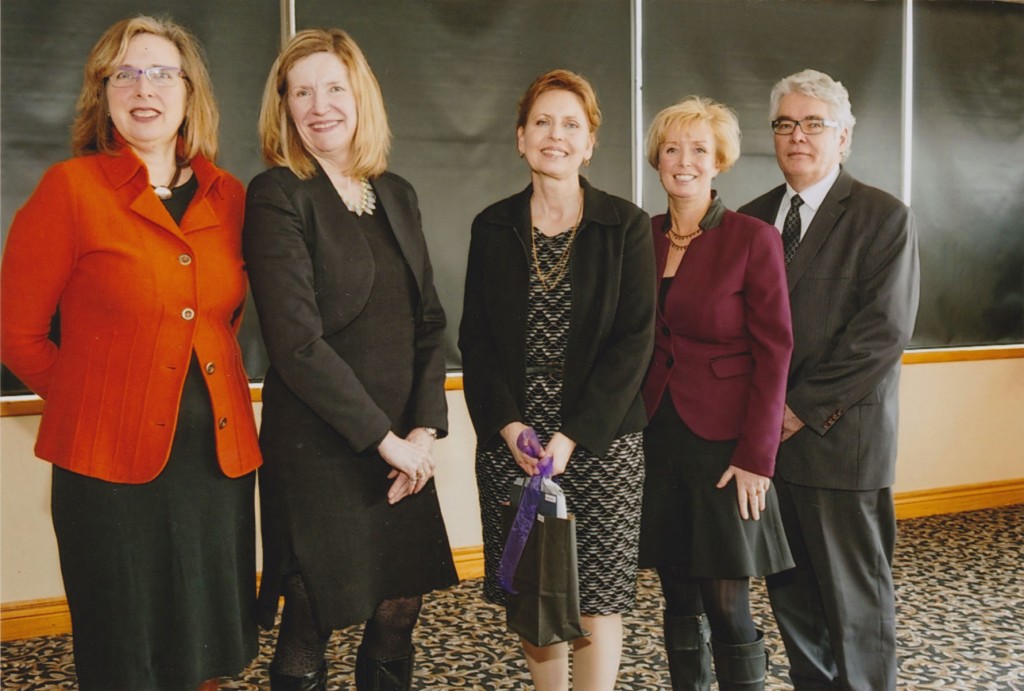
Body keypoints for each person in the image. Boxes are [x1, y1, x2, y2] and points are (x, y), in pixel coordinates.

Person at [0, 16, 261, 691]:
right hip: (108, 474)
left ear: (189, 92)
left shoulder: (230, 197)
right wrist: (99, 401)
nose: (143, 87)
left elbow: (225, 316)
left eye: (161, 72)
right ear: (103, 94)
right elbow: (17, 332)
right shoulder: (70, 189)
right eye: (125, 73)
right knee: (127, 656)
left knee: (205, 650)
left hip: (216, 467)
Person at [243, 28, 458, 691]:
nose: (319, 105)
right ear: (283, 107)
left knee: (400, 607)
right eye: (301, 92)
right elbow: (297, 343)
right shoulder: (278, 194)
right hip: (317, 444)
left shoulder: (396, 192)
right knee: (311, 611)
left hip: (401, 442)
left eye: (334, 87)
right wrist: (385, 441)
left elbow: (429, 321)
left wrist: (421, 431)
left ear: (360, 96)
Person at [459, 69, 656, 691]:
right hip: (515, 446)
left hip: (599, 442)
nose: (556, 135)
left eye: (572, 124)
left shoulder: (626, 226)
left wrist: (572, 437)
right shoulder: (492, 227)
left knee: (597, 596)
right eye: (542, 122)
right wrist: (512, 426)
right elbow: (478, 342)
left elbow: (635, 342)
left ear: (590, 142)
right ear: (521, 138)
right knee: (535, 593)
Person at [738, 69, 920, 691]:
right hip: (767, 456)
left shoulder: (883, 217)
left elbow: (881, 335)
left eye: (814, 123)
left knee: (857, 609)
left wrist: (790, 411)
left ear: (843, 138)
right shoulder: (751, 219)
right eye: (785, 124)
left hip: (841, 446)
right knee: (792, 600)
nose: (798, 136)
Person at [638, 96, 795, 690]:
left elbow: (775, 351)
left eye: (699, 150)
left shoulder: (752, 239)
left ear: (719, 160)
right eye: (673, 149)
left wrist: (758, 457)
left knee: (728, 605)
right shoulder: (642, 237)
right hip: (657, 437)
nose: (684, 161)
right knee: (677, 596)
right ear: (657, 159)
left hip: (726, 450)